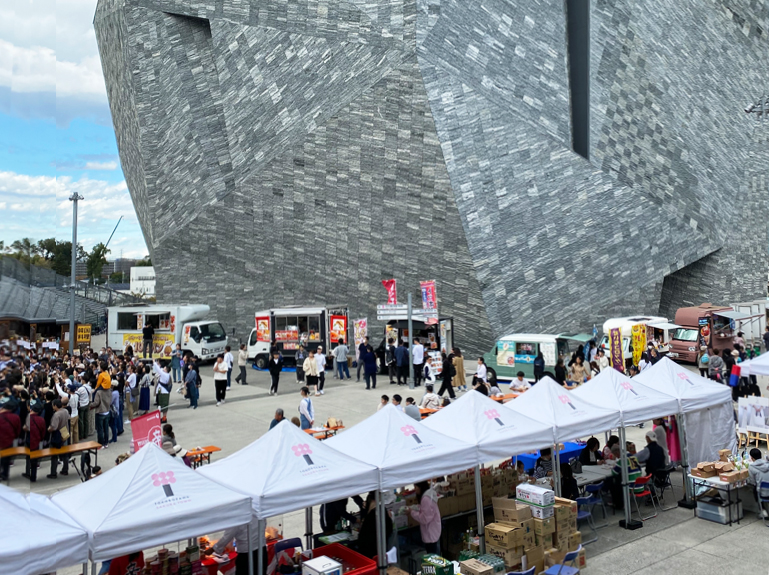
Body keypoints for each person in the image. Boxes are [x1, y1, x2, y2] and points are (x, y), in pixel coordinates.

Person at [357, 491, 393, 559]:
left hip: (367, 549)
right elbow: (389, 529)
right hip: (379, 547)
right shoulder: (381, 511)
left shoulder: (369, 514)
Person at [409, 481, 441, 554]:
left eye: (416, 487)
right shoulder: (429, 496)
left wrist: (412, 512)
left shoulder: (426, 499)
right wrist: (415, 508)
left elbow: (424, 518)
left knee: (432, 557)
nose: (415, 489)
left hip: (430, 533)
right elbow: (425, 510)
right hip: (433, 531)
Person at [47, 398, 72, 477]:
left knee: (54, 455)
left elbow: (54, 427)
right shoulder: (65, 411)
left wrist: (48, 429)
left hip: (57, 434)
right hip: (65, 431)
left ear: (55, 406)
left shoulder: (56, 414)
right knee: (65, 453)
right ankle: (65, 469)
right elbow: (68, 418)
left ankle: (53, 472)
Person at [23, 401, 45, 482]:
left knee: (28, 457)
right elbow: (43, 431)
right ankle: (33, 476)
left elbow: (26, 427)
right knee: (34, 460)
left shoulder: (29, 416)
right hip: (36, 441)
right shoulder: (41, 420)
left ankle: (27, 472)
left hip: (29, 439)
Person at [0, 398, 21, 481]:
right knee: (6, 459)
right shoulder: (15, 417)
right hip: (8, 441)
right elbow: (17, 430)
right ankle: (5, 474)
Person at [748, 448, 769, 518]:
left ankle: (762, 509)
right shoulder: (767, 463)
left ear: (751, 458)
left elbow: (752, 481)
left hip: (763, 493)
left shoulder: (751, 467)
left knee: (755, 488)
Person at [91, 381, 112, 451]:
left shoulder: (99, 392)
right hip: (107, 411)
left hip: (100, 412)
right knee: (106, 428)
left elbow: (96, 403)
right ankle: (106, 443)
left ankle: (100, 443)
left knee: (100, 429)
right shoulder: (109, 391)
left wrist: (90, 405)